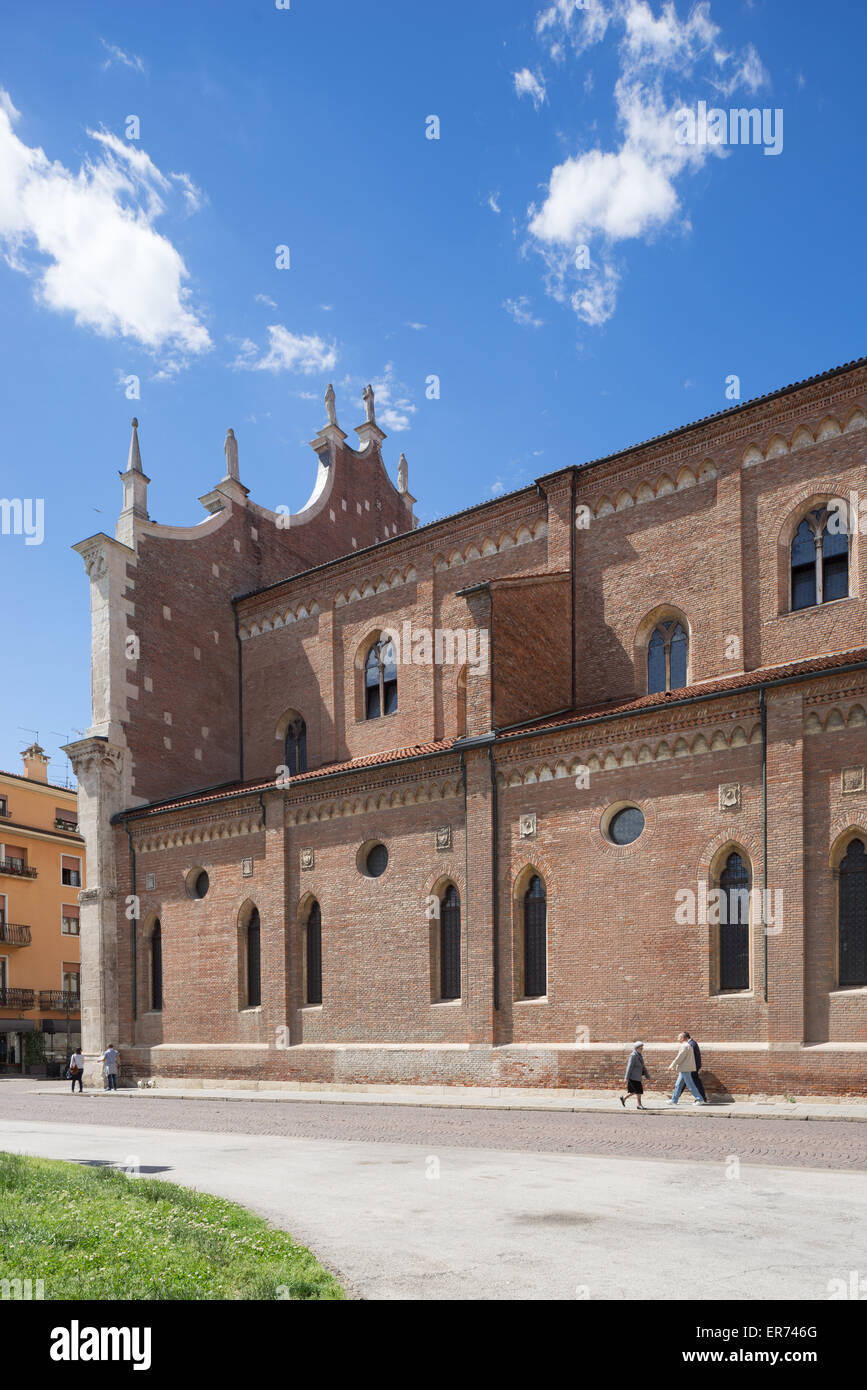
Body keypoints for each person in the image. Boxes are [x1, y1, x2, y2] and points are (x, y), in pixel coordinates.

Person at [667, 1032, 707, 1105]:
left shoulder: (684, 1046)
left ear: (683, 1038)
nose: (677, 1039)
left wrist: (672, 1065)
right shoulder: (689, 1045)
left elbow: (679, 1057)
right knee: (678, 1085)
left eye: (679, 1037)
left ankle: (700, 1099)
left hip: (685, 1068)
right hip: (685, 1068)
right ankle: (674, 1100)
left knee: (690, 1085)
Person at [620, 1041, 651, 1110]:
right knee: (638, 1091)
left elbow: (643, 1066)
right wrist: (626, 1077)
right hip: (633, 1077)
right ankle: (639, 1105)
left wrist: (647, 1075)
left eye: (642, 1048)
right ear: (636, 1048)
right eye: (641, 1048)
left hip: (638, 1077)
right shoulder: (633, 1055)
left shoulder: (639, 1055)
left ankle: (624, 1098)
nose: (642, 1050)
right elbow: (629, 1067)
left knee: (634, 1091)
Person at [683, 1031, 707, 1102]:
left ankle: (702, 1097)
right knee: (683, 1082)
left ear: (686, 1038)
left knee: (695, 1082)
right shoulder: (692, 1043)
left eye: (682, 1037)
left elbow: (690, 1057)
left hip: (692, 1067)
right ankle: (675, 1097)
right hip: (692, 1066)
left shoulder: (691, 1044)